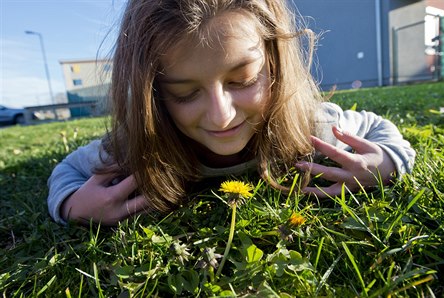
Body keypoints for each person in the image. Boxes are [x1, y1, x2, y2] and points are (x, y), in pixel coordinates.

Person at [47, 0, 415, 226]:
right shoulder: (133, 147)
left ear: (274, 63)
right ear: (154, 96)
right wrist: (71, 207)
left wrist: (386, 163)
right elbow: (68, 171)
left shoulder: (314, 125)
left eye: (243, 79)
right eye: (184, 92)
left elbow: (379, 128)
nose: (221, 117)